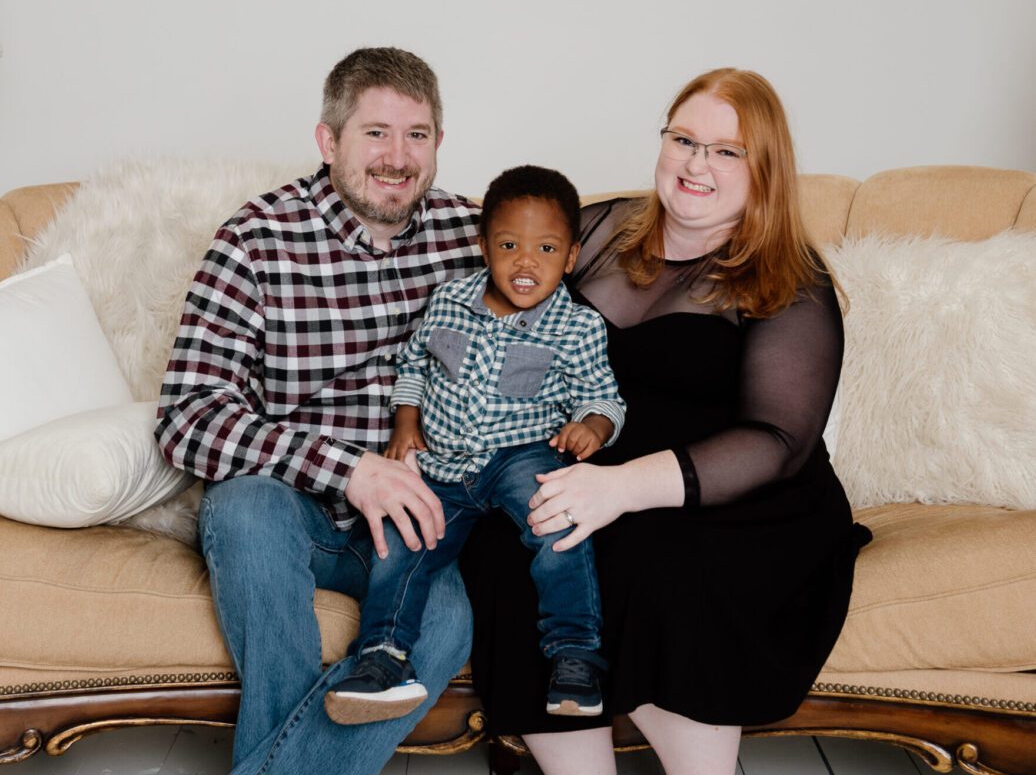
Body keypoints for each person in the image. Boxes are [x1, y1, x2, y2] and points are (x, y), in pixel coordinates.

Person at [459, 69, 872, 775]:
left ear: (764, 169)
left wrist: (620, 489)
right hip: (589, 473)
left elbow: (777, 440)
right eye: (683, 139)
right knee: (511, 548)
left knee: (659, 567)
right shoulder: (596, 229)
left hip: (732, 499)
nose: (695, 163)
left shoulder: (790, 279)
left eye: (725, 151)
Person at [156, 47, 484, 775]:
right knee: (242, 509)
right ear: (328, 140)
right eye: (376, 133)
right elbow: (187, 416)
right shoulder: (257, 239)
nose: (398, 157)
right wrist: (347, 469)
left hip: (414, 523)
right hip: (288, 511)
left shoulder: (477, 239)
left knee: (449, 622)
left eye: (418, 134)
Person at [324, 166, 625, 726]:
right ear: (483, 245)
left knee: (558, 521)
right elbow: (412, 364)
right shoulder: (449, 302)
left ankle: (575, 655)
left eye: (547, 247)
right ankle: (382, 660)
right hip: (443, 460)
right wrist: (406, 423)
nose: (526, 262)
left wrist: (593, 427)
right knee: (402, 535)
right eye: (509, 245)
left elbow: (605, 399)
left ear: (572, 255)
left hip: (522, 454)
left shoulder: (578, 326)